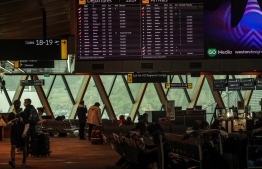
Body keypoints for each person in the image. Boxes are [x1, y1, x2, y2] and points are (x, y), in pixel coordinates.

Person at [7, 100, 29, 167]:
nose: (16, 106)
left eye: (18, 104)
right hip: (14, 132)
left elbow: (27, 124)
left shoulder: (23, 114)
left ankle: (24, 160)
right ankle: (13, 160)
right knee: (13, 146)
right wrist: (12, 121)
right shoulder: (11, 114)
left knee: (24, 147)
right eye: (15, 104)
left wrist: (25, 132)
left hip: (22, 132)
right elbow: (7, 124)